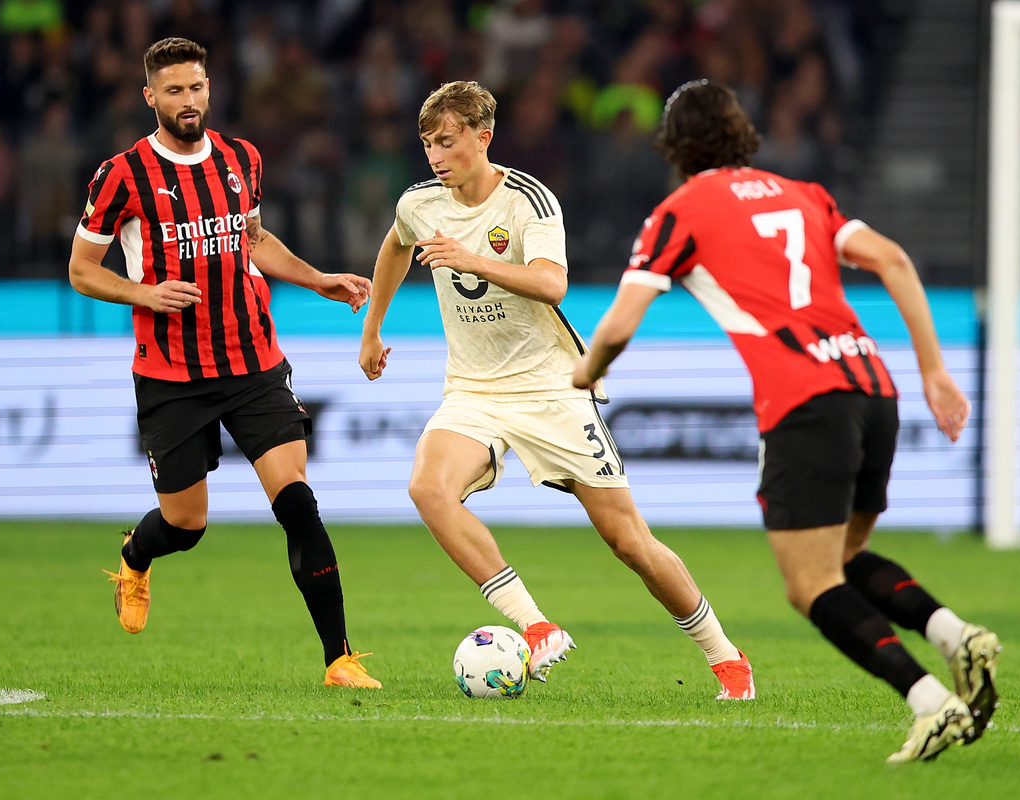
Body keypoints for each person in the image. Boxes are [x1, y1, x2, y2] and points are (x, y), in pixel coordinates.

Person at [572, 79, 1000, 762]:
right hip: (873, 386)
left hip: (807, 402)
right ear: (741, 132)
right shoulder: (806, 195)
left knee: (811, 586)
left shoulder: (680, 210)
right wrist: (935, 372)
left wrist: (588, 369)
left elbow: (621, 322)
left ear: (675, 146)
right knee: (848, 559)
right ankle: (954, 633)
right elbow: (892, 259)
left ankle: (930, 701)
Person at [358, 80, 754, 698]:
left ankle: (726, 656)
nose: (435, 155)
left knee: (630, 542)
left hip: (551, 387)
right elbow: (396, 244)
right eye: (428, 143)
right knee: (428, 490)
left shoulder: (527, 200)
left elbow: (550, 285)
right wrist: (372, 328)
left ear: (482, 137)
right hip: (475, 390)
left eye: (447, 140)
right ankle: (537, 627)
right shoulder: (421, 202)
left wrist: (471, 258)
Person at [68, 38, 381, 689]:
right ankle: (135, 554)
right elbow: (80, 270)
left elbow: (255, 240)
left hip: (253, 365)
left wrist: (317, 279)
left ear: (211, 89)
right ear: (150, 97)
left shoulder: (242, 159)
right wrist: (142, 293)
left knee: (297, 502)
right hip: (171, 377)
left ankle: (339, 659)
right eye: (175, 91)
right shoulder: (121, 175)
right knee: (187, 524)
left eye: (198, 87)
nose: (190, 101)